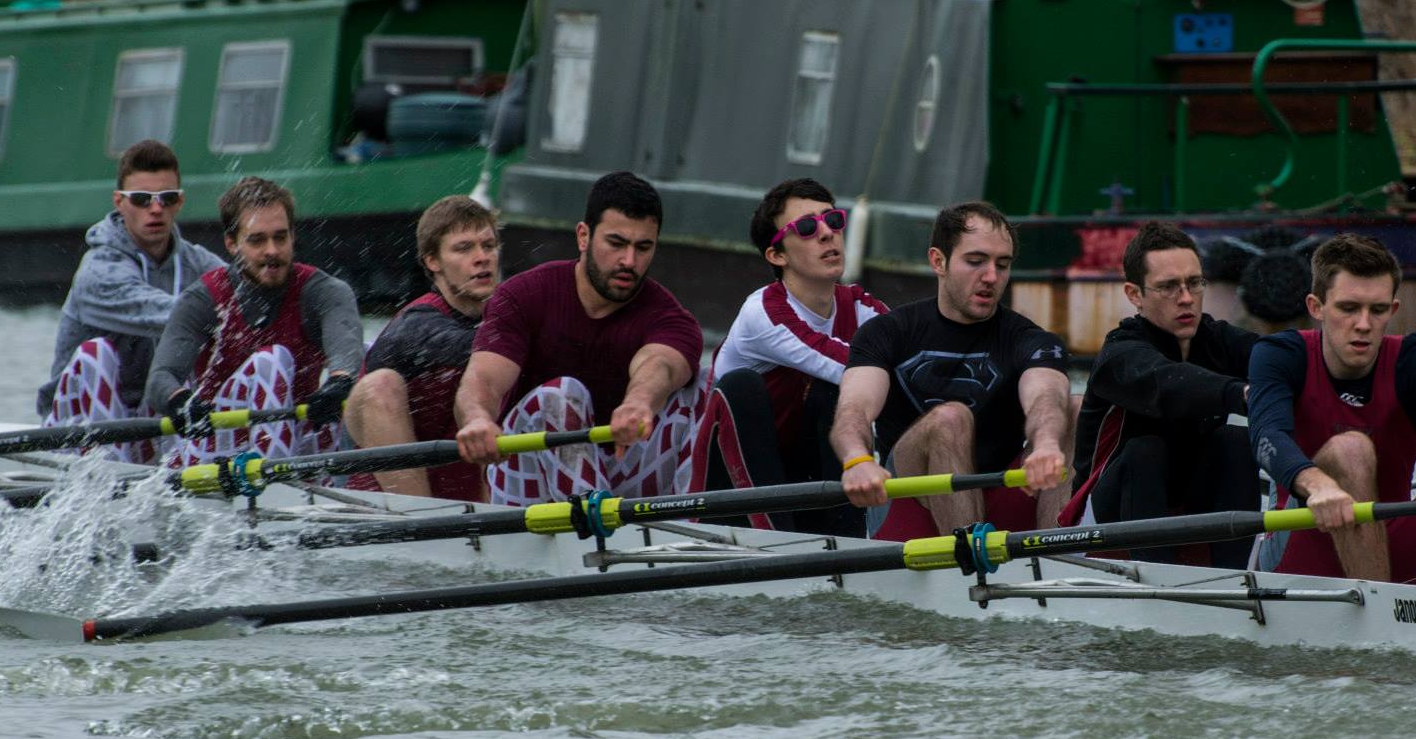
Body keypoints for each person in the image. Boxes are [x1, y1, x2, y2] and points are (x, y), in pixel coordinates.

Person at [453, 171, 703, 505]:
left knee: (704, 385)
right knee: (561, 394)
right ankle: (591, 519)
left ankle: (690, 526)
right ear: (583, 237)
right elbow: (483, 379)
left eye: (643, 247)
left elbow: (660, 364)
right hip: (525, 473)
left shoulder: (671, 317)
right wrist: (478, 421)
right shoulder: (522, 295)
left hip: (618, 471)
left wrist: (638, 403)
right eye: (616, 244)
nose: (629, 261)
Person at [831, 200, 1071, 538]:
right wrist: (857, 460)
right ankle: (969, 554)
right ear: (938, 261)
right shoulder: (886, 332)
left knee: (1074, 408)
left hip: (1001, 496)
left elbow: (1045, 396)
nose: (991, 277)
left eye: (1002, 265)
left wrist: (1045, 444)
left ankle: (1054, 551)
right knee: (950, 418)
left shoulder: (1029, 339)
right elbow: (853, 410)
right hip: (911, 501)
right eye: (975, 261)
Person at [1247, 233, 1416, 582]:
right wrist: (1317, 485)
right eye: (1348, 308)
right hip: (1304, 542)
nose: (1363, 324)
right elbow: (1267, 436)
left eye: (1378, 310)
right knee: (1351, 450)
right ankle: (1379, 602)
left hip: (1395, 540)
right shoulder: (1279, 355)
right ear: (1316, 307)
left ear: (1393, 310)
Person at [694, 178, 888, 533]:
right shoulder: (762, 312)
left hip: (802, 478)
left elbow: (910, 357)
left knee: (837, 393)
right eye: (807, 227)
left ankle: (849, 540)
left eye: (833, 220)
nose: (827, 234)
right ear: (777, 255)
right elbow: (847, 362)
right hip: (726, 496)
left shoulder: (859, 305)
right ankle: (776, 537)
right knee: (743, 385)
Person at [1062, 221, 1259, 566]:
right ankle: (1156, 576)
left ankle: (1236, 578)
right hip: (1107, 517)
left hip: (1188, 500)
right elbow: (1167, 383)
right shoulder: (1119, 354)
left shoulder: (1218, 339)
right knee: (1146, 450)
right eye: (1168, 287)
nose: (1186, 298)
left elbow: (1279, 357)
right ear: (1134, 295)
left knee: (1235, 441)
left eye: (1194, 283)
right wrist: (1238, 392)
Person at [143, 176, 363, 463]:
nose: (272, 250)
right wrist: (181, 401)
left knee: (371, 359)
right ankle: (273, 476)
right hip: (216, 446)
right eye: (257, 240)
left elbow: (347, 352)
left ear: (292, 236)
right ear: (232, 243)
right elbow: (160, 378)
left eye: (280, 237)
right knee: (272, 360)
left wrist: (339, 382)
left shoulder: (325, 291)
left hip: (299, 439)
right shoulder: (202, 299)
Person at [37, 140, 225, 456]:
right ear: (119, 202)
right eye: (141, 199)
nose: (156, 209)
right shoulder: (98, 271)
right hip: (73, 425)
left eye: (166, 198)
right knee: (98, 353)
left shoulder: (198, 263)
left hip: (154, 412)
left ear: (179, 202)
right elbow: (181, 315)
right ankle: (103, 472)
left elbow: (241, 299)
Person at [343, 196, 502, 500]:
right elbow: (468, 346)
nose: (482, 257)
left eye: (489, 245)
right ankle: (419, 514)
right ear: (432, 261)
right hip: (380, 503)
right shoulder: (416, 324)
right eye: (464, 248)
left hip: (472, 499)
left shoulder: (507, 316)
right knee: (381, 384)